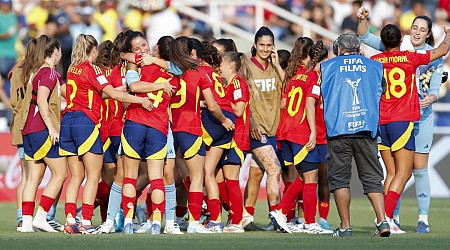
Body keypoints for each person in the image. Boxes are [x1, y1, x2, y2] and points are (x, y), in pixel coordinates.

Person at [358, 7, 445, 234]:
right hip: (404, 118)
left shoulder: (378, 58)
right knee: (403, 173)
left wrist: (432, 97)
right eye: (414, 28)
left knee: (405, 171)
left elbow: (363, 37)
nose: (417, 32)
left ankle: (413, 219)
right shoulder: (409, 55)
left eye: (422, 29)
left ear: (427, 34)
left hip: (392, 120)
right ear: (405, 34)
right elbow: (442, 50)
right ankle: (387, 218)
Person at [60, 34, 151, 234]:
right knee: (93, 176)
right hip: (86, 123)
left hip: (67, 121)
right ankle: (85, 221)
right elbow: (115, 95)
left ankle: (70, 220)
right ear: (93, 50)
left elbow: (88, 92)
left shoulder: (71, 69)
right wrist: (141, 101)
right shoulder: (92, 69)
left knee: (75, 177)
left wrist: (114, 90)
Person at [320, 33, 389, 237]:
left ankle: (345, 227)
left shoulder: (327, 67)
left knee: (340, 180)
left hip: (338, 129)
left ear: (339, 49)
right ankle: (383, 221)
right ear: (359, 49)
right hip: (366, 128)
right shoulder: (374, 66)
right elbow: (381, 91)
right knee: (372, 178)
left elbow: (322, 93)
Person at [169, 36, 234, 234]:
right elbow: (213, 105)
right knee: (201, 176)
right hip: (193, 127)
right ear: (194, 53)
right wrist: (224, 120)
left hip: (173, 127)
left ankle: (160, 220)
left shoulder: (172, 71)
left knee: (169, 176)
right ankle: (197, 222)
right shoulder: (201, 72)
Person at [269, 38, 332, 234]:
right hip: (301, 132)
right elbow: (309, 104)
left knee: (305, 178)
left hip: (286, 131)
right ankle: (310, 223)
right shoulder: (312, 76)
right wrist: (313, 131)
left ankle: (281, 212)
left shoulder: (294, 75)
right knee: (311, 179)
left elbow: (283, 104)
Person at [17, 35, 67, 233]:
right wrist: (52, 128)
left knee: (33, 178)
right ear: (55, 52)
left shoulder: (35, 72)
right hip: (41, 128)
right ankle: (41, 216)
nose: (61, 54)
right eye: (60, 51)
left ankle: (27, 222)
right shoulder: (49, 74)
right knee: (60, 173)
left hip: (28, 130)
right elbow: (42, 101)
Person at [242, 26, 284, 231]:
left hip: (273, 128)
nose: (265, 49)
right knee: (274, 168)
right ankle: (277, 214)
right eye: (262, 45)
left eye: (269, 45)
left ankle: (246, 217)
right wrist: (250, 122)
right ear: (255, 45)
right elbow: (241, 97)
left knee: (257, 174)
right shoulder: (247, 67)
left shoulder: (276, 68)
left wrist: (277, 65)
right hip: (257, 129)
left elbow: (289, 91)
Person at [9, 38, 38, 232]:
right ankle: (33, 217)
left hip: (18, 125)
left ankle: (22, 217)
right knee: (32, 176)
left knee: (25, 176)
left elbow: (13, 101)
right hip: (32, 126)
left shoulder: (16, 72)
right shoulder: (38, 74)